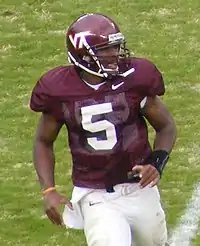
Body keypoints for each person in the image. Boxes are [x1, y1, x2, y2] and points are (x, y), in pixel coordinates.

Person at [30, 13, 177, 246]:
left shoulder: (135, 78)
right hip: (94, 192)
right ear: (83, 54)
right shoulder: (59, 90)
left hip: (139, 187)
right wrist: (48, 189)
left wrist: (156, 163)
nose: (115, 54)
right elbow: (43, 141)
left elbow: (166, 126)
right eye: (106, 49)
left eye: (116, 46)